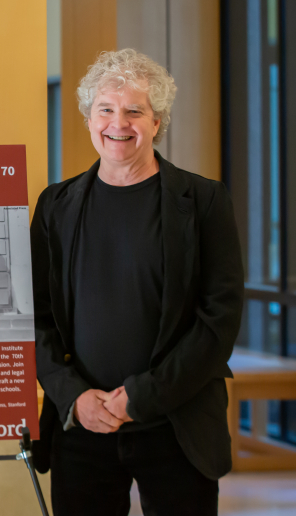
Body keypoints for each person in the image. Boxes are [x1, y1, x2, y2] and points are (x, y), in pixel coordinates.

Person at [31, 49, 244, 516]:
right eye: (105, 108)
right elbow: (36, 317)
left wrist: (143, 397)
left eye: (134, 111)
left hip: (176, 422)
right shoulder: (55, 206)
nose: (117, 123)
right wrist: (74, 396)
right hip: (82, 426)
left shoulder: (204, 200)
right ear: (89, 117)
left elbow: (220, 319)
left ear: (157, 121)